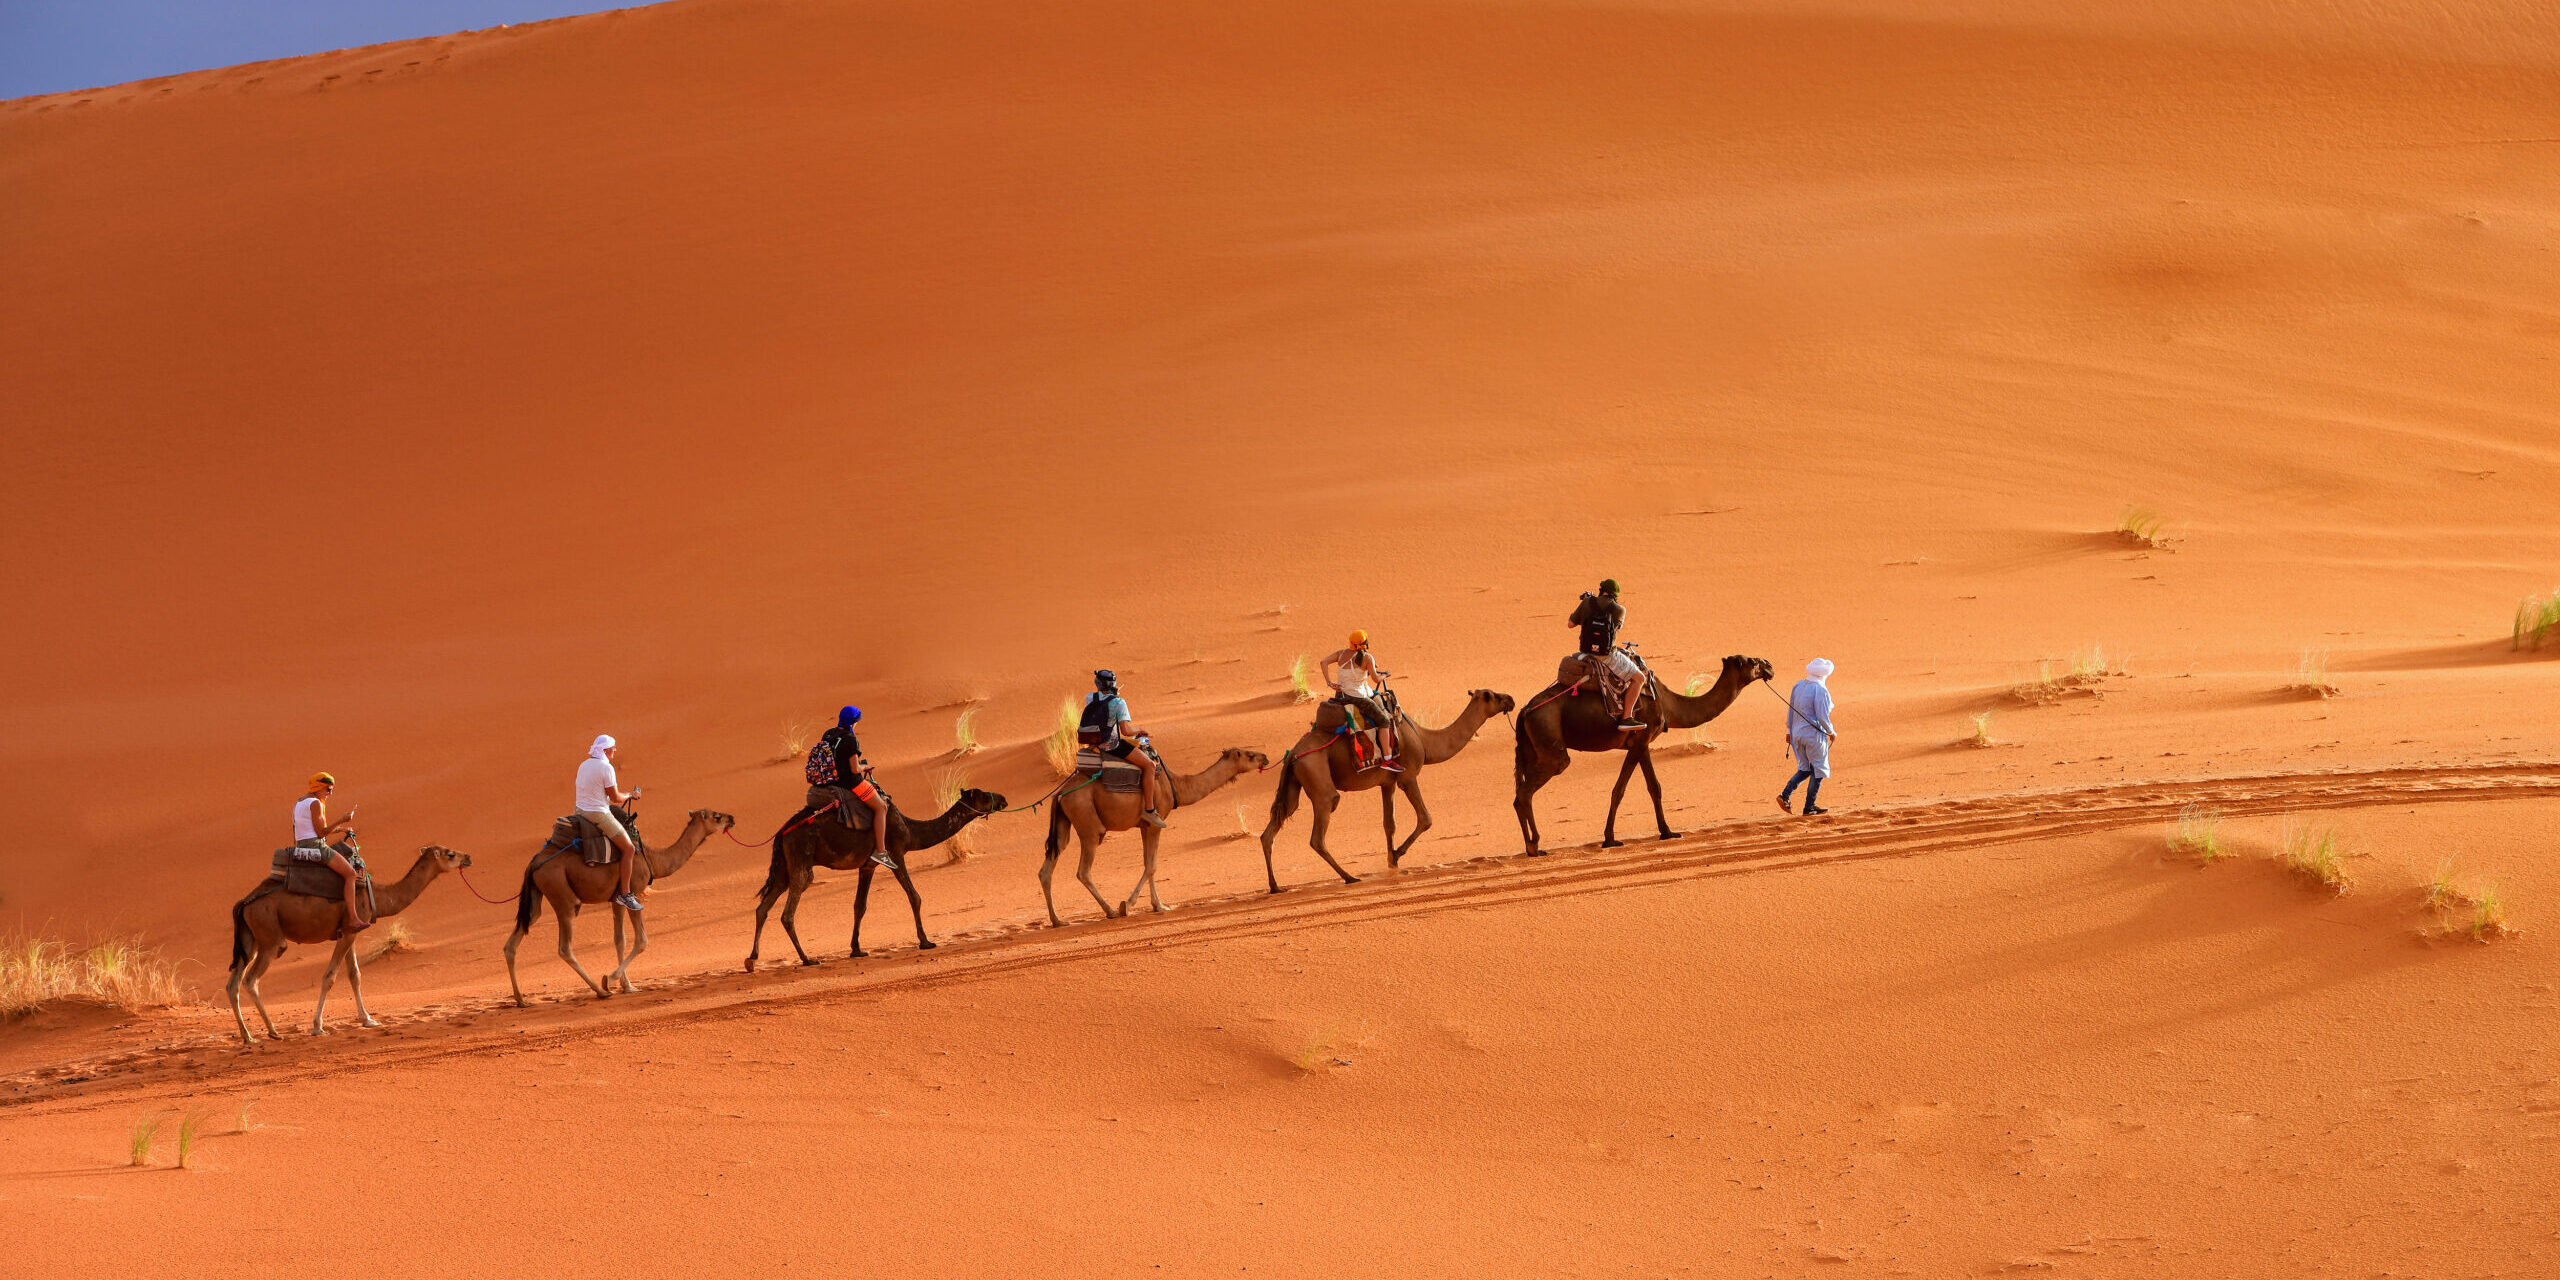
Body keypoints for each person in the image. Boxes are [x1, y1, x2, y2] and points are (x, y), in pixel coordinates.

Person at [807, 705, 894, 867]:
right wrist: (864, 768)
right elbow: (854, 769)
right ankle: (881, 852)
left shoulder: (828, 733)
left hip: (829, 780)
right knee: (881, 807)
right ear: (853, 722)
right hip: (849, 783)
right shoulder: (850, 739)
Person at [1078, 670, 1167, 827]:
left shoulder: (1089, 697)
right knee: (1150, 766)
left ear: (1097, 684)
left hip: (1093, 743)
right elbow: (1126, 731)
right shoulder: (1119, 703)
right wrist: (1139, 730)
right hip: (1111, 745)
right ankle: (1149, 810)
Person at [576, 735, 647, 911]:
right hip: (598, 814)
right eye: (613, 748)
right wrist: (631, 795)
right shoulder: (606, 768)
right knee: (629, 848)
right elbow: (615, 798)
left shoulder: (583, 765)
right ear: (605, 750)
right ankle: (625, 894)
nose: (615, 750)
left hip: (579, 811)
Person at [291, 772, 368, 932]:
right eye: (328, 789)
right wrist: (342, 819)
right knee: (351, 874)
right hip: (315, 846)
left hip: (302, 845)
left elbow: (310, 829)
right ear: (318, 787)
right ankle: (353, 919)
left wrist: (342, 829)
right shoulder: (315, 803)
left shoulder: (300, 802)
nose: (330, 793)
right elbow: (321, 833)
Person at [1566, 579, 1647, 730]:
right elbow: (1616, 628)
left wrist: (1586, 603)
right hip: (1606, 655)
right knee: (1639, 678)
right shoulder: (1619, 609)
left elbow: (1570, 624)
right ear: (1615, 594)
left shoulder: (1587, 603)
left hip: (1585, 651)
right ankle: (1627, 717)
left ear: (1601, 589)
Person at [1319, 630, 1401, 772]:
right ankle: (1387, 760)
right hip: (1357, 697)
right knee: (1384, 721)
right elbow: (1375, 679)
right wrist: (1385, 676)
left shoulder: (1341, 653)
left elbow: (1323, 662)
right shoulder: (1368, 658)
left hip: (1340, 695)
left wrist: (1329, 682)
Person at [1777, 659, 1838, 816]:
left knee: (1805, 768)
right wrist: (1831, 732)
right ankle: (1809, 806)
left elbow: (1790, 710)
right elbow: (1822, 716)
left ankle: (1785, 795)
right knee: (1818, 769)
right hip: (1813, 736)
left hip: (1797, 734)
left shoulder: (1798, 685)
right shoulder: (1820, 690)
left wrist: (1789, 731)